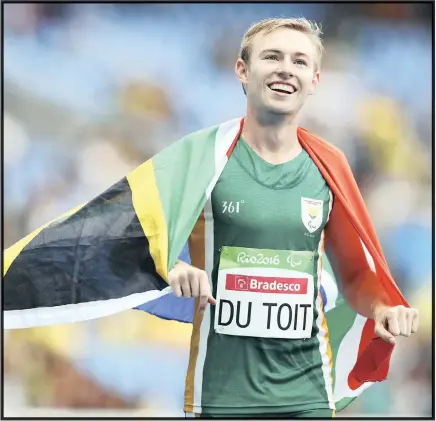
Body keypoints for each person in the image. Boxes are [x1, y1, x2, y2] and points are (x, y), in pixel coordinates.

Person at [166, 18, 419, 418]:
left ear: (314, 80)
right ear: (242, 70)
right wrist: (173, 266)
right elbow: (138, 238)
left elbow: (354, 275)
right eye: (272, 56)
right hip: (220, 395)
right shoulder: (203, 158)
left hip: (308, 396)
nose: (286, 68)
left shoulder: (329, 166)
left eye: (299, 61)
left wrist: (382, 309)